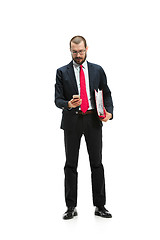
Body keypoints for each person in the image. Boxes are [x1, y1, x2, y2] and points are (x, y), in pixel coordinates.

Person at [55, 36, 114, 220]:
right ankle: (71, 207)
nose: (78, 55)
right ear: (70, 50)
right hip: (72, 122)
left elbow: (107, 94)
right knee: (70, 164)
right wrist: (69, 104)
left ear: (86, 48)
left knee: (96, 163)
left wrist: (109, 113)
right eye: (74, 51)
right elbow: (57, 100)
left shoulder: (97, 70)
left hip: (93, 121)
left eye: (81, 51)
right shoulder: (61, 72)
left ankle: (100, 205)